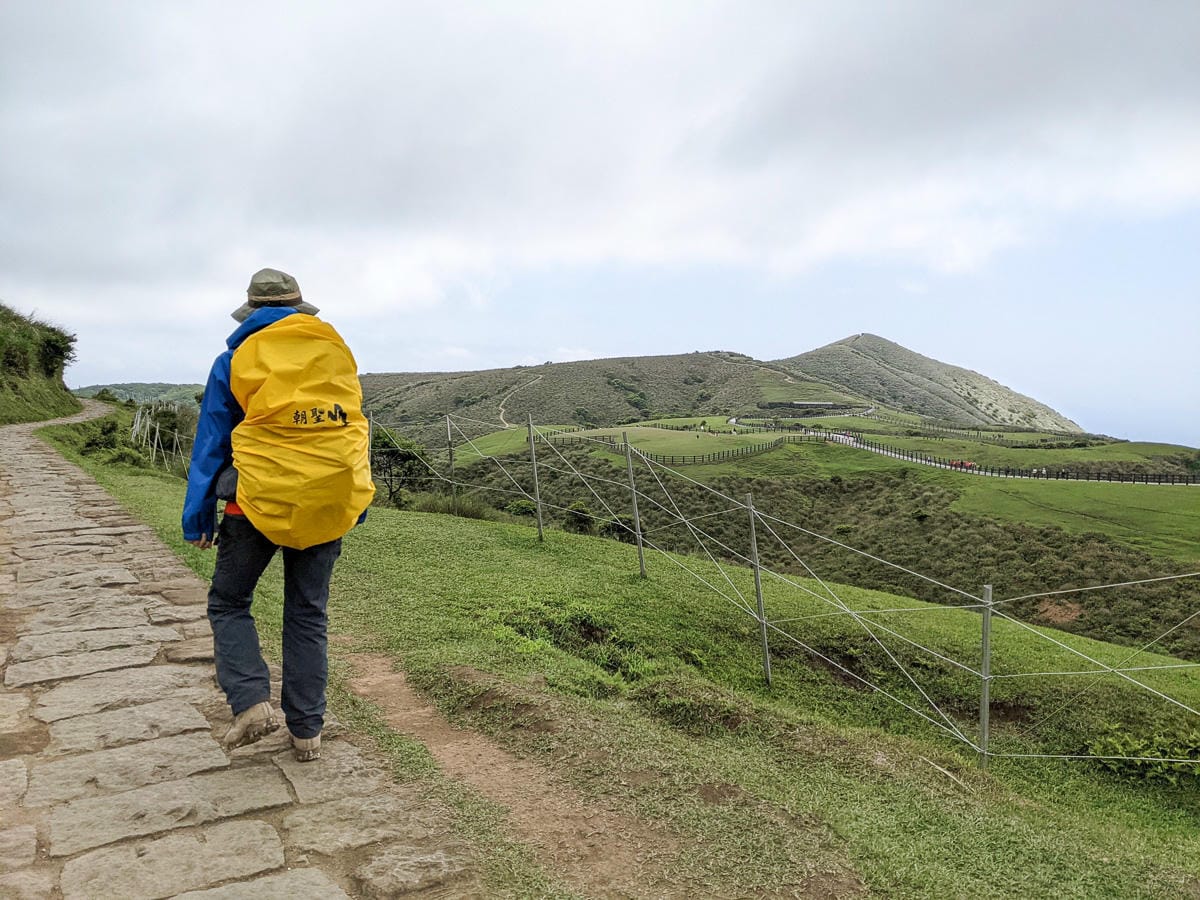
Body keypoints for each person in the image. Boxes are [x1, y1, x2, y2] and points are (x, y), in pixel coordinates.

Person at [182, 268, 374, 761]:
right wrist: (353, 503)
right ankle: (307, 730)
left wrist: (198, 516)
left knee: (229, 602)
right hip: (326, 503)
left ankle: (249, 701)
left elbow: (211, 443)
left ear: (251, 313)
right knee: (307, 614)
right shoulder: (334, 353)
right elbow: (345, 429)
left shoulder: (234, 360)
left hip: (254, 503)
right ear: (300, 308)